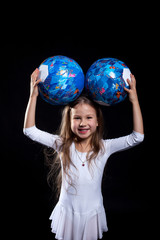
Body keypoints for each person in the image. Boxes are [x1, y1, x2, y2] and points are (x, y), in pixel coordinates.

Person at [23, 68, 144, 240]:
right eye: (77, 118)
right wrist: (33, 96)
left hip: (92, 213)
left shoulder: (104, 147)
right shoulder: (62, 144)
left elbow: (137, 137)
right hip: (68, 211)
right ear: (69, 120)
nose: (83, 123)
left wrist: (134, 100)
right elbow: (30, 131)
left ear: (97, 122)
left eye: (89, 118)